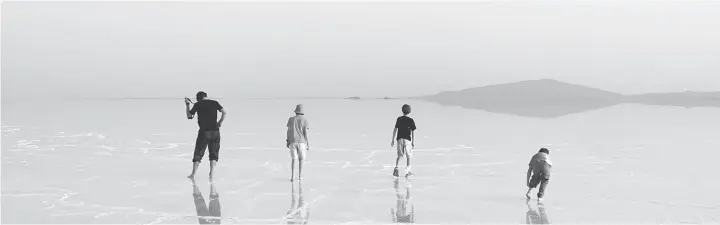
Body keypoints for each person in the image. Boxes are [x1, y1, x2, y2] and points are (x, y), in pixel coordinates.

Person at [185, 91, 226, 179]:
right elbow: (224, 112)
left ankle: (193, 174)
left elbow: (189, 116)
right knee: (214, 153)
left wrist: (187, 104)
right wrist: (220, 122)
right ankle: (211, 174)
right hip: (215, 131)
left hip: (204, 132)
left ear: (198, 98)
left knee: (198, 153)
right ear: (206, 96)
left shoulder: (197, 104)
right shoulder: (214, 103)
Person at [391, 104, 417, 177]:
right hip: (407, 140)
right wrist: (413, 142)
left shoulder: (399, 119)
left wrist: (392, 139)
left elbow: (395, 129)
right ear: (409, 111)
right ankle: (407, 172)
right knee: (408, 155)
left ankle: (396, 169)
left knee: (399, 155)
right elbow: (412, 132)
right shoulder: (411, 120)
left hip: (399, 139)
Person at [286, 104, 310, 181]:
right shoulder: (305, 120)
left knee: (293, 159)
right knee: (301, 160)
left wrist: (287, 140)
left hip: (292, 141)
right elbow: (305, 132)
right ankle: (300, 176)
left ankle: (292, 177)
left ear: (296, 111)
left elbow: (288, 131)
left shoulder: (291, 119)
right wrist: (308, 143)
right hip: (302, 142)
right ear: (302, 112)